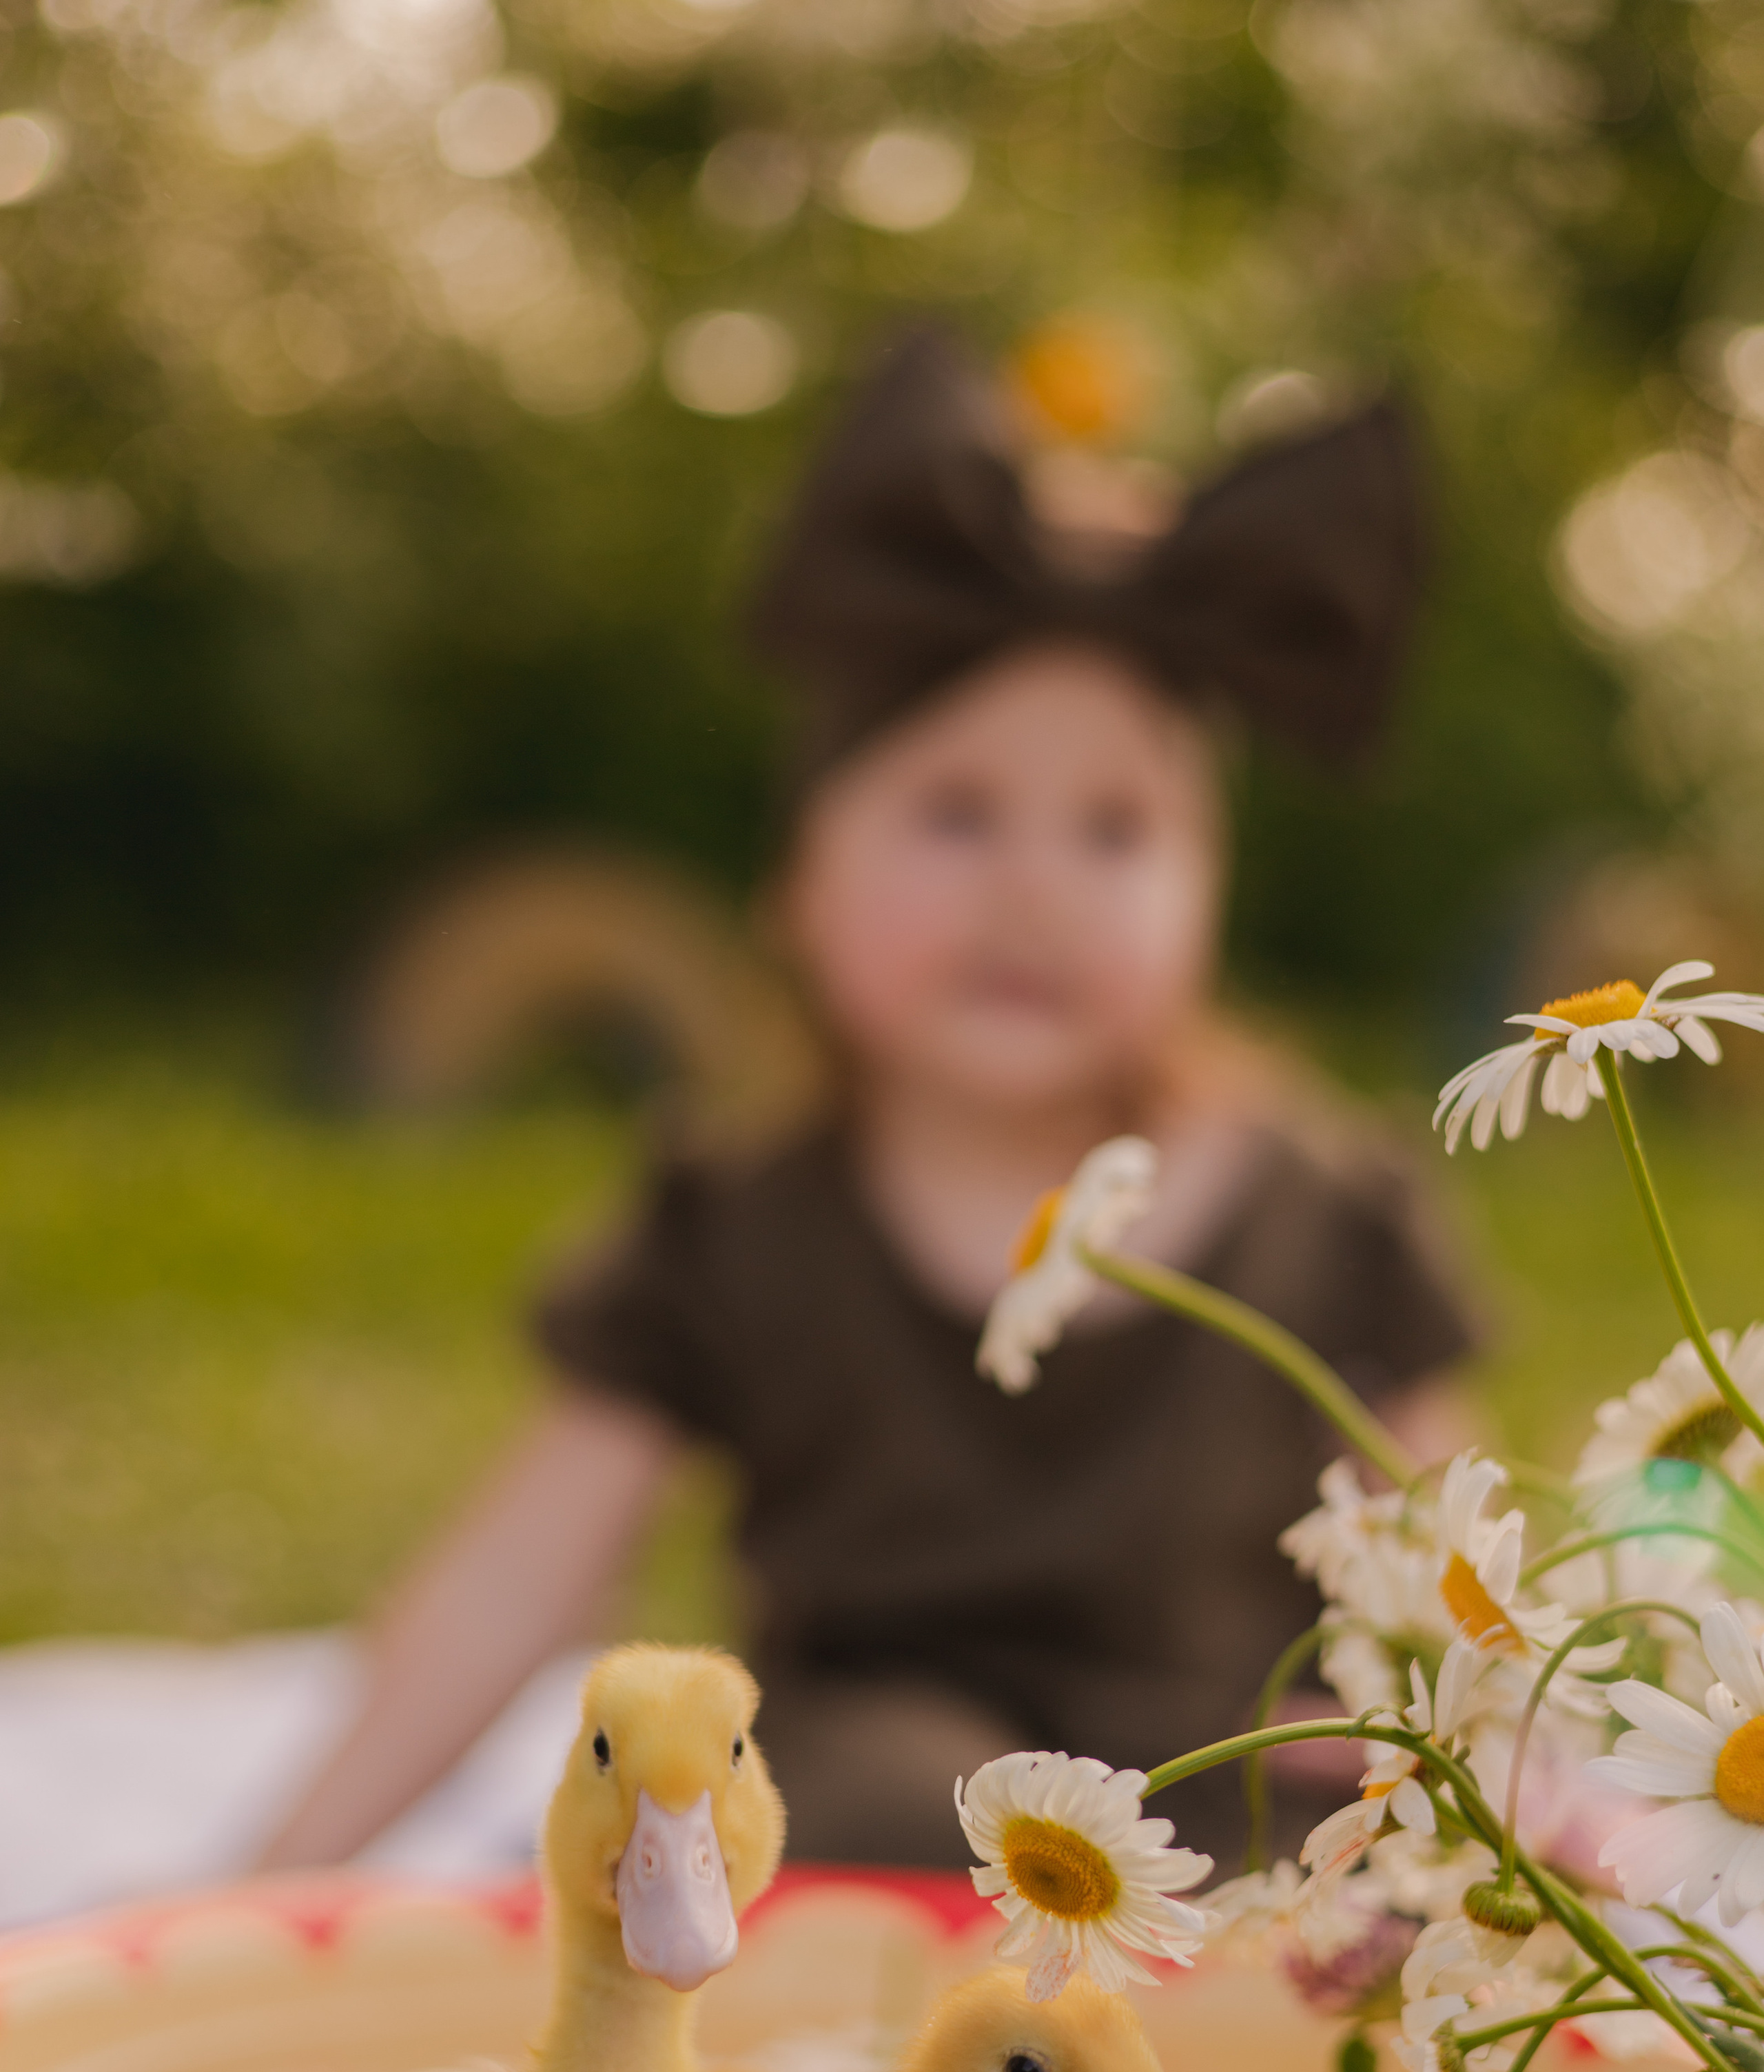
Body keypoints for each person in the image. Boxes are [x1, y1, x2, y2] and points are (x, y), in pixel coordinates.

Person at [259, 327, 1474, 1880]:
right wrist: (279, 1872)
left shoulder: (1323, 1205)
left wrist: (1470, 1754)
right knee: (811, 1807)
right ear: (799, 882)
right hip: (883, 1806)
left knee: (1362, 1855)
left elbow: (1452, 1563)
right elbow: (516, 1578)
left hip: (1224, 1791)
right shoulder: (735, 1211)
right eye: (953, 813)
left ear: (1207, 900)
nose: (1030, 889)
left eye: (1113, 830)